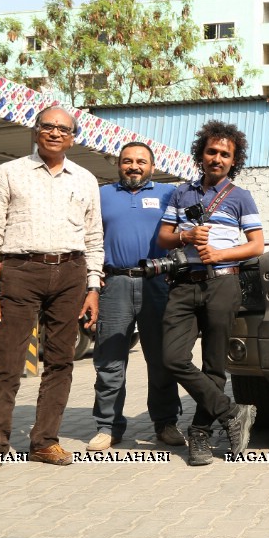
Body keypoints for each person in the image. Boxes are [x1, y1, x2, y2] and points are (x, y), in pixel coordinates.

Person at [0, 106, 103, 480]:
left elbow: (94, 238)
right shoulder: (9, 173)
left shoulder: (86, 179)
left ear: (73, 137)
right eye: (48, 126)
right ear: (36, 130)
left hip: (72, 273)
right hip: (20, 272)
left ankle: (44, 441)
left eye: (64, 128)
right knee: (7, 361)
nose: (56, 133)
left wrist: (93, 286)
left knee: (61, 361)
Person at [158, 120, 264, 465]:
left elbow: (257, 245)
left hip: (223, 282)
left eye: (225, 154)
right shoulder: (181, 193)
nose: (217, 158)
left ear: (234, 161)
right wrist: (185, 238)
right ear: (200, 155)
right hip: (184, 283)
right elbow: (164, 237)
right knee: (173, 358)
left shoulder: (241, 197)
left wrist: (219, 253)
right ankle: (232, 411)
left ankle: (200, 434)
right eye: (212, 151)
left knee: (214, 365)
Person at [87, 142, 184, 452]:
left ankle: (166, 423)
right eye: (127, 161)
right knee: (110, 359)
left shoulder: (170, 195)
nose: (134, 166)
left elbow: (185, 232)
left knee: (161, 358)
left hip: (157, 284)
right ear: (119, 165)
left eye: (141, 161)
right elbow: (87, 237)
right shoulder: (102, 195)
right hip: (114, 283)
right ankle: (108, 426)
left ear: (152, 167)